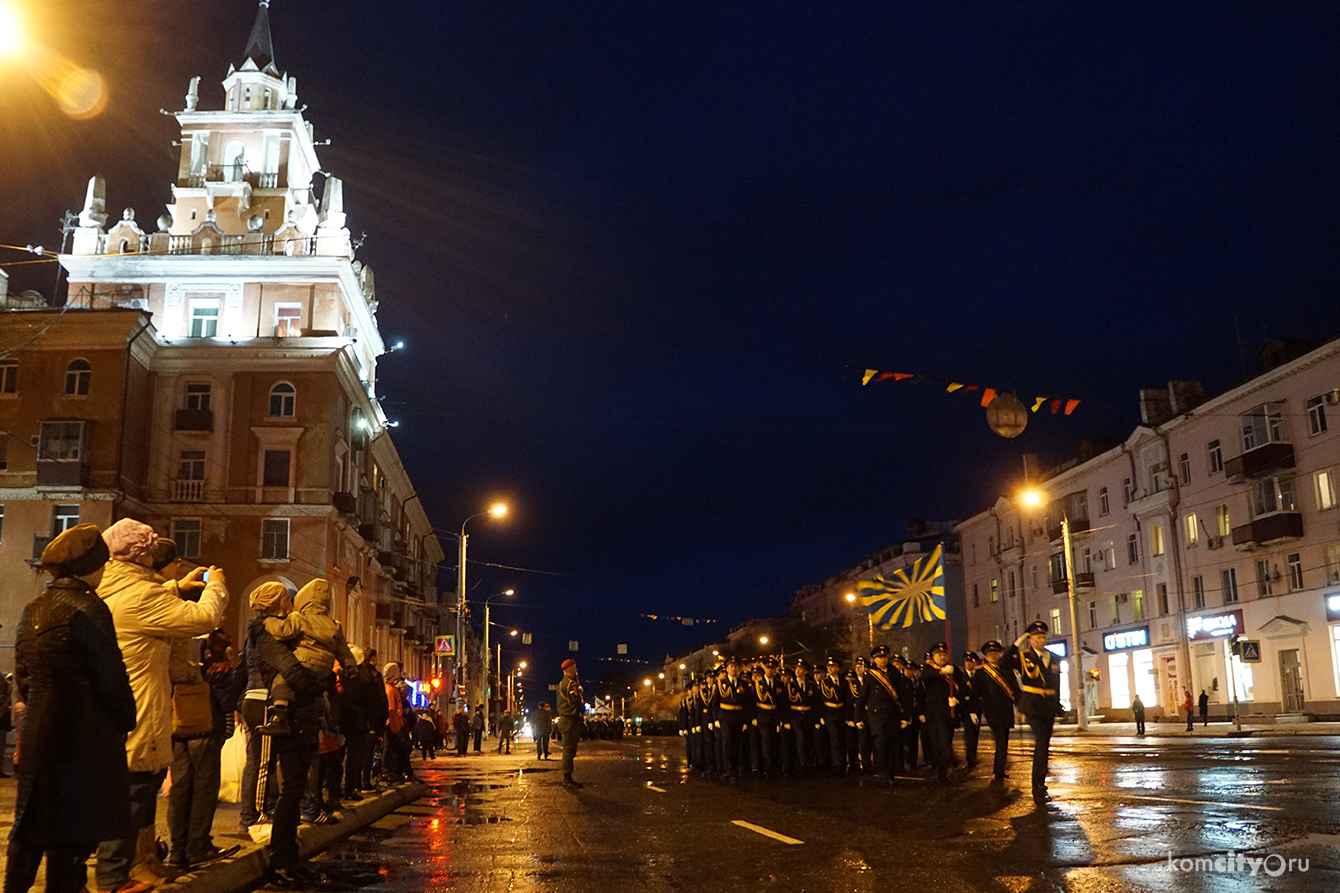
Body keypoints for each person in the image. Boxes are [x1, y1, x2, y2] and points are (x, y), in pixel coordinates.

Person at [95, 518, 227, 893]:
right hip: (141, 705)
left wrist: (175, 586)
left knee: (127, 792)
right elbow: (203, 618)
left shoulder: (109, 588)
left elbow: (140, 598)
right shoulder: (142, 596)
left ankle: (124, 871)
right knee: (134, 796)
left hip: (118, 707)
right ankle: (115, 879)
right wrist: (215, 588)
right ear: (144, 555)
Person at [6, 525, 137, 893]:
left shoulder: (35, 606)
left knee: (31, 825)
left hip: (38, 731)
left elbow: (25, 675)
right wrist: (125, 719)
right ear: (92, 567)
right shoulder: (89, 607)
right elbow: (110, 675)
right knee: (71, 834)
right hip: (82, 736)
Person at [240, 584, 325, 886]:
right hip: (286, 714)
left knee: (295, 785)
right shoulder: (265, 634)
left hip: (299, 714)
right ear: (277, 602)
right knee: (290, 788)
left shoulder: (277, 632)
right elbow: (291, 670)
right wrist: (317, 685)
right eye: (287, 599)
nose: (291, 603)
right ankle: (281, 859)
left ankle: (290, 855)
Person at [256, 580, 356, 736]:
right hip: (324, 667)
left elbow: (284, 631)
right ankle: (324, 717)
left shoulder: (300, 619)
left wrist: (269, 622)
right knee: (319, 691)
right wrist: (351, 666)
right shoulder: (334, 625)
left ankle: (279, 713)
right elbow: (344, 651)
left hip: (304, 661)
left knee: (281, 682)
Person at [1004, 620, 1062, 803]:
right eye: (1038, 637)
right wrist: (1016, 644)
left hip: (1049, 705)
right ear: (1030, 640)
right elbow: (1004, 663)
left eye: (1043, 636)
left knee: (1045, 742)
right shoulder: (1023, 656)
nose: (1042, 639)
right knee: (1042, 738)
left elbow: (1056, 683)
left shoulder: (1053, 657)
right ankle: (1037, 780)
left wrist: (1058, 703)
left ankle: (1040, 778)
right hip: (1033, 705)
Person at [921, 643, 966, 783]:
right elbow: (925, 677)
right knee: (941, 745)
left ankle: (943, 771)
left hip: (950, 715)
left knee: (946, 742)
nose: (942, 656)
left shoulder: (954, 671)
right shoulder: (929, 670)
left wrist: (957, 699)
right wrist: (941, 672)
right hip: (935, 715)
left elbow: (964, 688)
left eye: (944, 654)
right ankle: (941, 771)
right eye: (939, 654)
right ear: (933, 657)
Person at [973, 641, 1017, 782]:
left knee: (1004, 740)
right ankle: (998, 769)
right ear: (986, 656)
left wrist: (1021, 705)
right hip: (992, 711)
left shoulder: (1007, 670)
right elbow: (975, 693)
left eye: (995, 653)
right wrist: (973, 711)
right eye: (990, 653)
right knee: (1000, 739)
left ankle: (1000, 768)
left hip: (1006, 710)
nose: (993, 655)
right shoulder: (981, 673)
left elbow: (1015, 689)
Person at [863, 646, 904, 785]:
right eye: (879, 657)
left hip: (892, 715)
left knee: (893, 745)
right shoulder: (870, 675)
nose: (882, 660)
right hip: (877, 716)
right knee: (880, 745)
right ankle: (883, 773)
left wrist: (905, 716)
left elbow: (903, 695)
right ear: (874, 659)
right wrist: (858, 717)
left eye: (884, 657)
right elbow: (863, 696)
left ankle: (890, 774)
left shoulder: (894, 673)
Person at [556, 659, 585, 787]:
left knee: (569, 749)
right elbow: (575, 701)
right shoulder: (570, 684)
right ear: (568, 669)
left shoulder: (563, 683)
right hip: (570, 720)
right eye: (574, 667)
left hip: (567, 719)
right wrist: (579, 693)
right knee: (569, 750)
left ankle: (567, 776)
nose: (576, 669)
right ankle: (567, 778)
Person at [960, 652, 981, 769]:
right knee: (969, 734)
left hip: (977, 708)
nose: (968, 664)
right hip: (966, 710)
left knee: (975, 734)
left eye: (971, 662)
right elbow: (961, 692)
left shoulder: (977, 676)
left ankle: (973, 756)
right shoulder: (962, 677)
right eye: (967, 662)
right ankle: (970, 759)